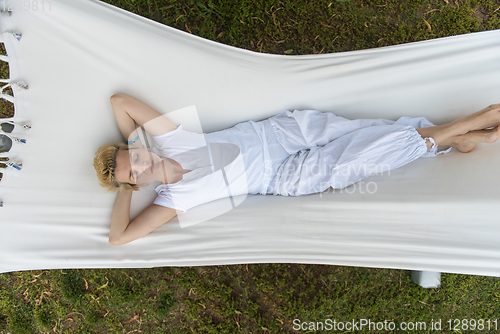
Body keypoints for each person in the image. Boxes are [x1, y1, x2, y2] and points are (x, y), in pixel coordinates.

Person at [93, 93, 500, 245]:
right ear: (136, 185)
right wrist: (124, 186)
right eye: (135, 174)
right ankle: (457, 131)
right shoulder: (171, 200)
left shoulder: (168, 138)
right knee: (359, 158)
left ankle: (450, 140)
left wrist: (132, 144)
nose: (142, 166)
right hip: (283, 178)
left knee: (367, 131)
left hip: (280, 134)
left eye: (135, 156)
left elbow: (120, 102)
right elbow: (119, 238)